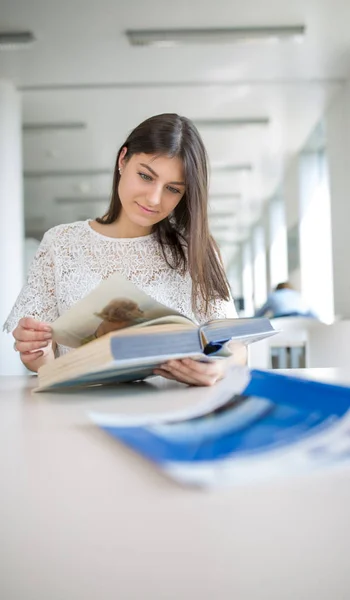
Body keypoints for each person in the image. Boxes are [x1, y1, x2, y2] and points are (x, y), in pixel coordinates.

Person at [3, 113, 247, 386]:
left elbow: (235, 344)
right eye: (145, 176)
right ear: (123, 160)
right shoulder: (61, 244)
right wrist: (37, 353)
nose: (154, 199)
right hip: (82, 409)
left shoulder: (196, 250)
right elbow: (42, 362)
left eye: (173, 189)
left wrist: (221, 367)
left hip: (175, 407)